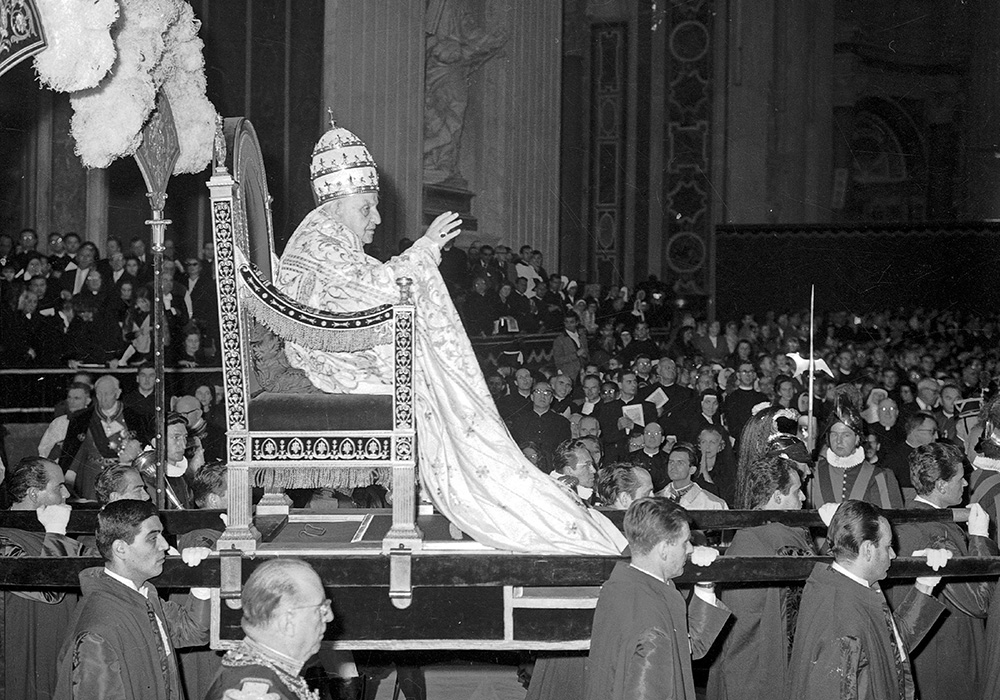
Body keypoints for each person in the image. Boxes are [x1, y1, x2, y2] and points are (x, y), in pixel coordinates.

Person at [272, 122, 624, 554]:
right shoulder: (320, 239)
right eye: (366, 208)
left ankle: (475, 489)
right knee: (443, 389)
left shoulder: (322, 234)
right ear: (337, 205)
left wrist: (420, 255)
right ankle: (474, 496)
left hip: (336, 349)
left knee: (443, 381)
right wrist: (426, 248)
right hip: (330, 361)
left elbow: (368, 286)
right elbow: (380, 287)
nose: (377, 219)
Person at [784, 500, 949, 700]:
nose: (893, 555)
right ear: (867, 550)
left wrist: (924, 585)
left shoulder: (841, 585)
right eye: (888, 546)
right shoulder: (842, 618)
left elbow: (888, 650)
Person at [53, 499, 212, 700]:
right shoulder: (99, 631)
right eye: (153, 538)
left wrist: (201, 577)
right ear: (121, 549)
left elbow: (193, 631)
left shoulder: (141, 595)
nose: (165, 545)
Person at [585, 497, 730, 700]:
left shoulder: (620, 585)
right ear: (663, 550)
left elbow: (683, 647)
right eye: (685, 542)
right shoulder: (651, 623)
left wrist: (704, 582)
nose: (690, 549)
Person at [889, 443, 997, 700]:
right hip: (950, 664)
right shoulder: (936, 533)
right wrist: (980, 537)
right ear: (940, 486)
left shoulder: (905, 521)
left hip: (924, 658)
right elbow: (982, 603)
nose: (966, 485)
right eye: (960, 479)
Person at [706, 455, 814, 700]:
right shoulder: (751, 541)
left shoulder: (789, 532)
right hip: (760, 672)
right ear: (777, 497)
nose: (804, 498)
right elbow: (740, 630)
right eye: (797, 491)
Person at [0, 457, 83, 700]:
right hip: (24, 654)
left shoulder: (54, 531)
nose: (67, 493)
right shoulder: (3, 538)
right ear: (34, 494)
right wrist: (56, 532)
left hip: (58, 645)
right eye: (59, 487)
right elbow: (48, 590)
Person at [205, 559, 333, 700]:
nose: (330, 617)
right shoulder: (256, 693)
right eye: (321, 609)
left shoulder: (261, 668)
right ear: (287, 621)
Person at [809, 399, 904, 510]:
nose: (838, 441)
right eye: (834, 434)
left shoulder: (879, 476)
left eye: (846, 435)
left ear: (857, 439)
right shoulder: (813, 472)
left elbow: (892, 519)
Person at [509, 380, 572, 464]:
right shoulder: (519, 420)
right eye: (538, 392)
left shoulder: (562, 422)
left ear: (551, 399)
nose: (542, 396)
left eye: (547, 393)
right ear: (531, 397)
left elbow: (564, 451)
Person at [660, 443, 728, 509]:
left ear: (692, 470)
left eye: (680, 463)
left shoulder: (712, 503)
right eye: (671, 462)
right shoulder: (657, 498)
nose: (673, 467)